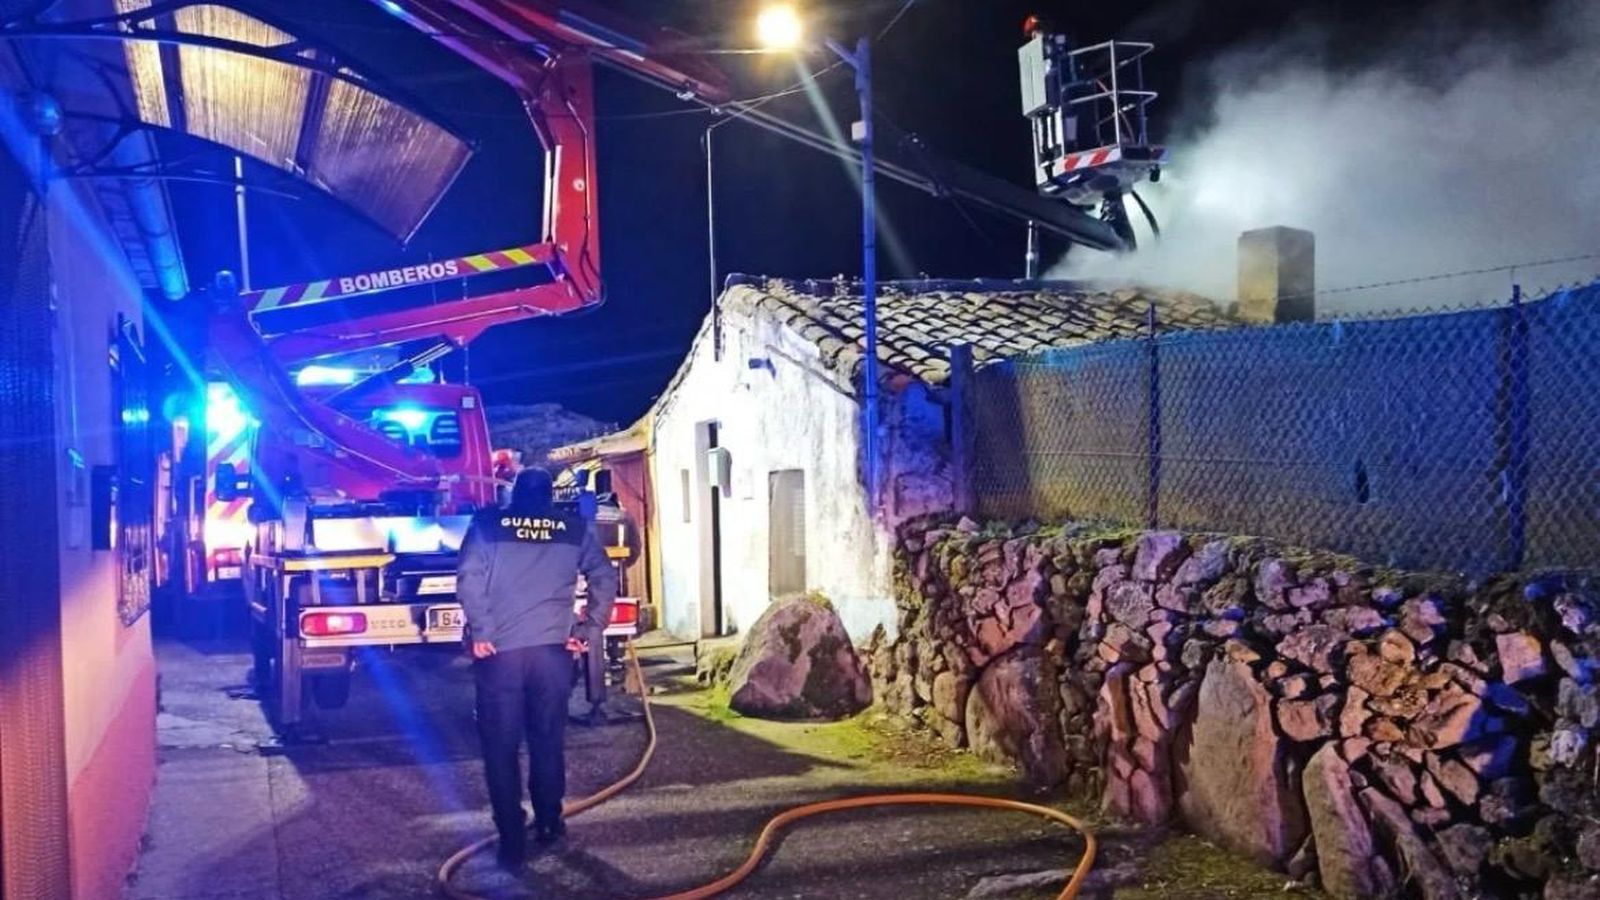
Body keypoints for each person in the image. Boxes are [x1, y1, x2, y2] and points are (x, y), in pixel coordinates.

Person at [456, 467, 618, 869]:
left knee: (500, 746)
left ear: (514, 494)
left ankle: (511, 838)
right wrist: (588, 628)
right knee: (547, 740)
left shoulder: (487, 524)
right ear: (549, 495)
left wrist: (482, 630)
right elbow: (603, 575)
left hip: (500, 654)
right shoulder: (573, 527)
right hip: (552, 653)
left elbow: (468, 578)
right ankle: (549, 823)